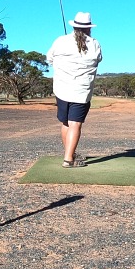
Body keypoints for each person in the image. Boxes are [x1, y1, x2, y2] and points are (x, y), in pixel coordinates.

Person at [46, 11, 103, 168]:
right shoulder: (95, 44)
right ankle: (68, 160)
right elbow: (98, 60)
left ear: (74, 26)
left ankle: (69, 153)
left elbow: (49, 58)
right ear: (89, 28)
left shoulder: (61, 41)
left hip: (61, 89)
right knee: (75, 124)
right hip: (81, 91)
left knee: (66, 123)